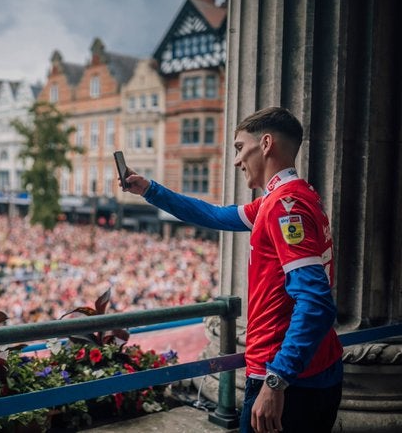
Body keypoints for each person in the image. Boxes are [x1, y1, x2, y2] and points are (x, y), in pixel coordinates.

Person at [123, 107, 343, 433]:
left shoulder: (285, 208)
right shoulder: (294, 197)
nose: (237, 160)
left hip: (289, 380)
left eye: (240, 147)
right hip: (316, 370)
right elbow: (214, 215)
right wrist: (149, 189)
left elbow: (316, 303)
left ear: (266, 144)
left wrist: (277, 379)